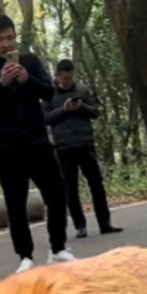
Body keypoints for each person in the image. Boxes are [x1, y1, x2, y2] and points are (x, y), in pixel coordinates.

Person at [0, 14, 72, 274]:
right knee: (15, 204)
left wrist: (28, 80)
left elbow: (50, 93)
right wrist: (1, 83)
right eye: (0, 39)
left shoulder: (30, 61)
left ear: (15, 38)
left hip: (37, 140)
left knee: (57, 194)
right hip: (7, 147)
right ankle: (25, 257)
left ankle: (58, 248)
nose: (6, 44)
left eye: (10, 38)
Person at [44, 59, 121, 238]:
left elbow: (95, 112)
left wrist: (81, 107)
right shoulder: (49, 95)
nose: (68, 81)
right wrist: (64, 109)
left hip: (85, 144)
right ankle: (80, 226)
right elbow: (46, 118)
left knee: (97, 185)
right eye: (64, 78)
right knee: (71, 189)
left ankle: (105, 223)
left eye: (70, 78)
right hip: (64, 147)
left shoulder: (83, 90)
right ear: (57, 76)